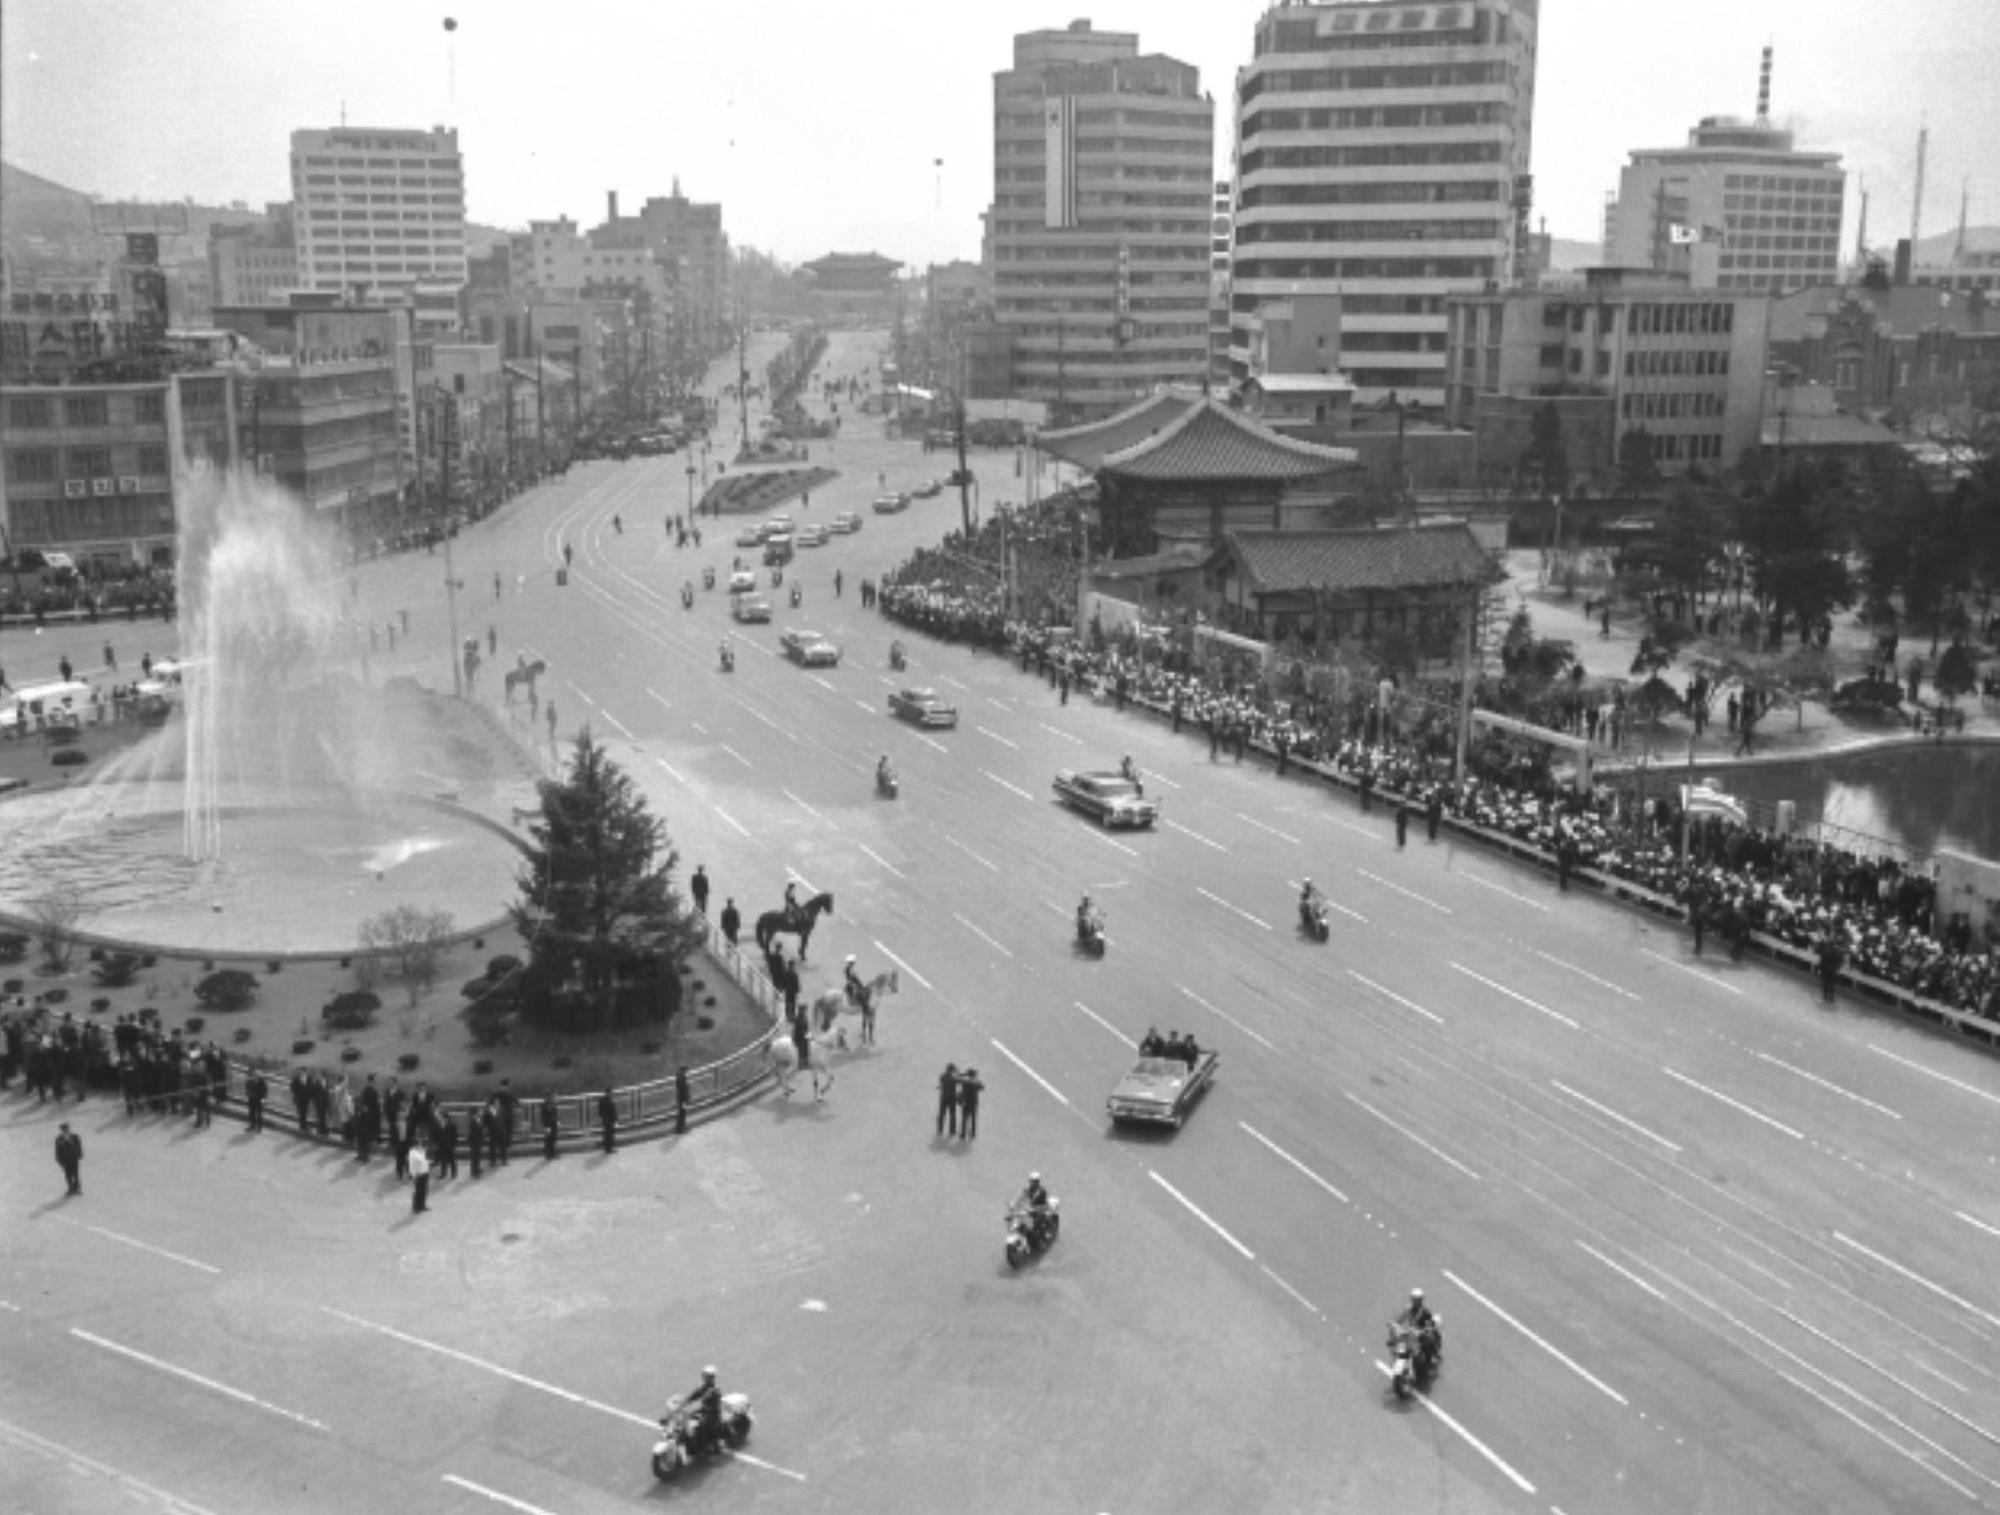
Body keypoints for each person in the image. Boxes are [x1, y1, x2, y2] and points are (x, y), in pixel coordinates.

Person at [679, 1367, 724, 1452]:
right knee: (688, 1417)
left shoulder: (715, 1389)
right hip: (704, 1410)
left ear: (712, 1378)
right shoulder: (703, 1387)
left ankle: (705, 1447)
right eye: (705, 1376)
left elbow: (711, 1397)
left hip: (713, 1412)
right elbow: (695, 1394)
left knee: (702, 1425)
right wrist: (685, 1401)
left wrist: (707, 1395)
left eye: (707, 1376)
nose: (705, 1378)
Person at [55, 1122, 83, 1196]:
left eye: (66, 1129)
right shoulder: (59, 1139)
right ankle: (70, 1189)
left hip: (74, 1158)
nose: (65, 1130)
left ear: (68, 1129)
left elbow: (78, 1146)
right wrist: (58, 1159)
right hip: (65, 1160)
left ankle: (77, 1189)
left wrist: (79, 1154)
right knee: (68, 1175)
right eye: (63, 1129)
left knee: (75, 1174)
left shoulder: (74, 1137)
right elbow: (57, 1150)